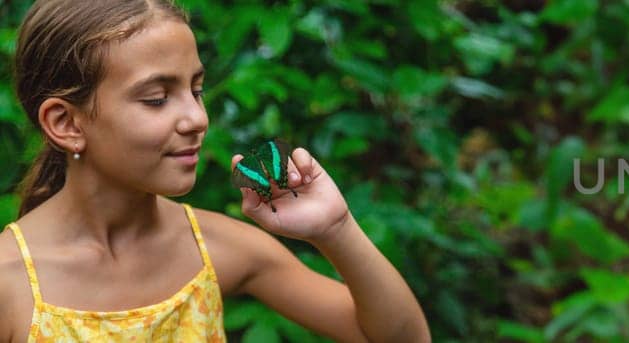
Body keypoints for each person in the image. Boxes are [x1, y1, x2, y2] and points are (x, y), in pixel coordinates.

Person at [0, 0, 429, 341]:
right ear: (66, 123)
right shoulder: (9, 283)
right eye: (156, 98)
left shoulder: (217, 248)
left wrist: (335, 228)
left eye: (196, 89)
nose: (196, 118)